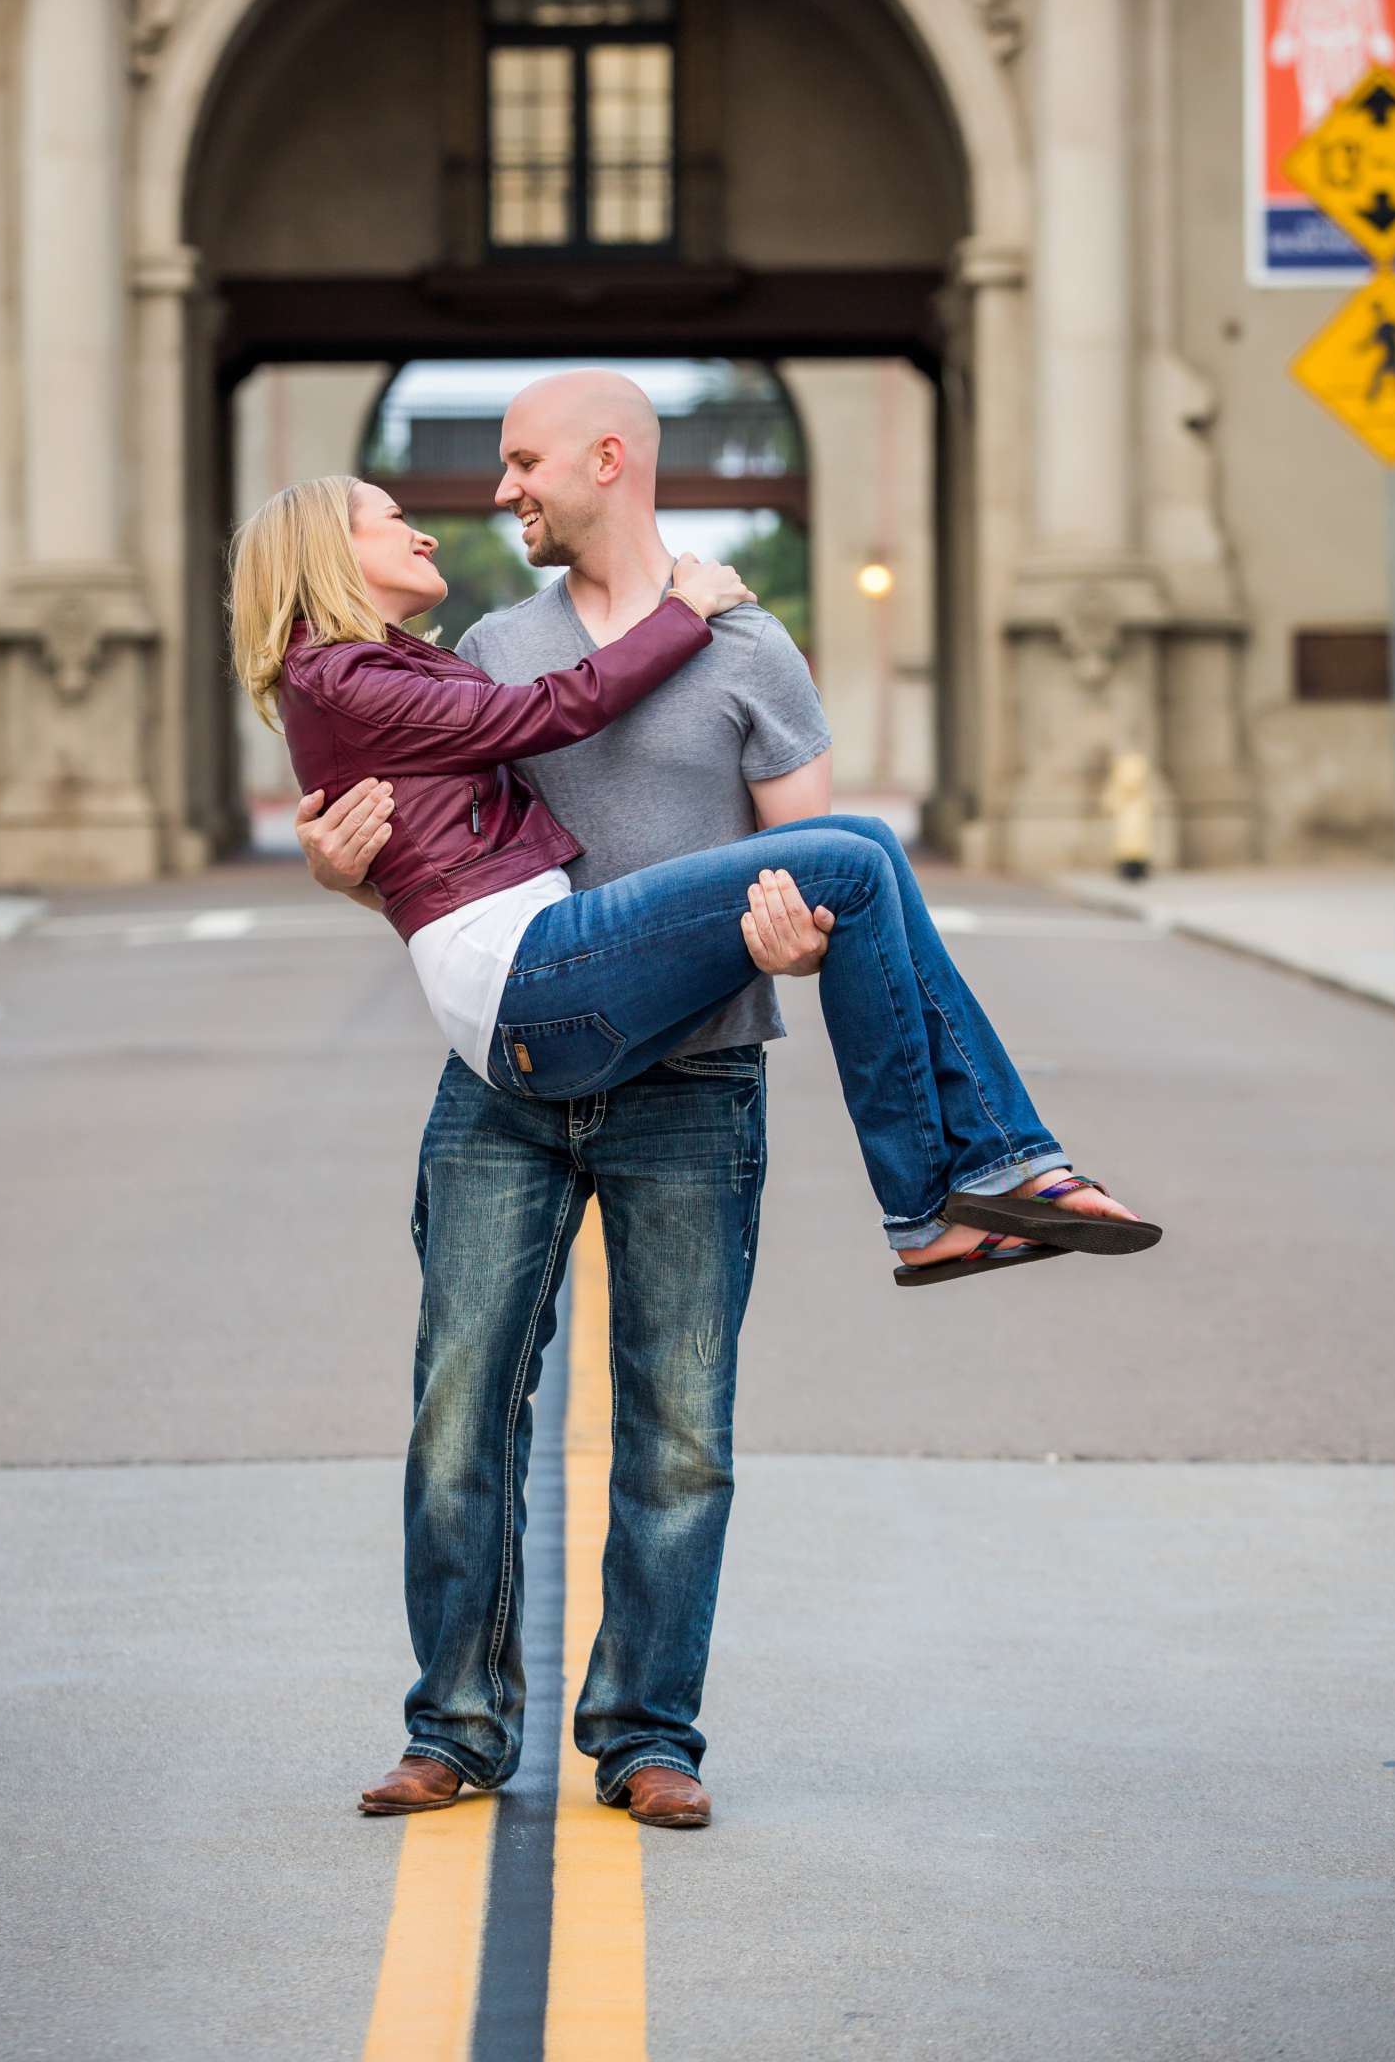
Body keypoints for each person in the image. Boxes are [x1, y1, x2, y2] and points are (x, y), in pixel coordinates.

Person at [230, 370, 1158, 1829]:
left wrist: (790, 942)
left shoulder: (753, 647)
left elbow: (812, 866)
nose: (499, 494)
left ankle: (649, 1736)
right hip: (511, 1074)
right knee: (458, 1414)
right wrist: (337, 871)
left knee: (679, 1433)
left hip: (694, 1075)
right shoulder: (484, 648)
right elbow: (425, 841)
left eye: (524, 463)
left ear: (611, 460)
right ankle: (453, 1730)